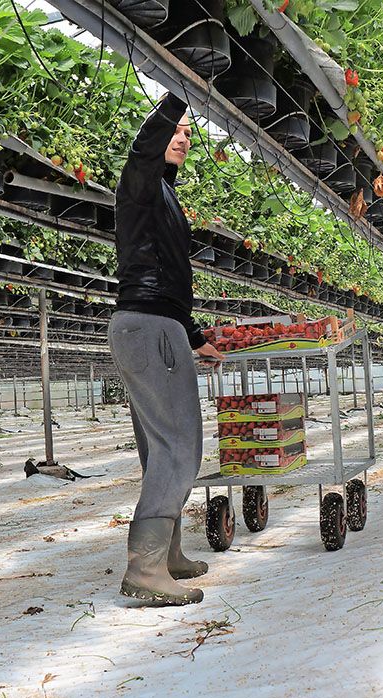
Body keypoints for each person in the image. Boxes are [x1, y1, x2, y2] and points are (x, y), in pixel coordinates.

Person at [108, 93, 224, 606]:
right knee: (180, 445)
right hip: (150, 327)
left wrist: (196, 336)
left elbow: (169, 279)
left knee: (159, 448)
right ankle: (146, 567)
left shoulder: (161, 195)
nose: (182, 138)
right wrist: (180, 89)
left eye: (188, 134)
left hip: (152, 323)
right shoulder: (140, 182)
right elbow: (143, 149)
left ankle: (168, 553)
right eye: (175, 130)